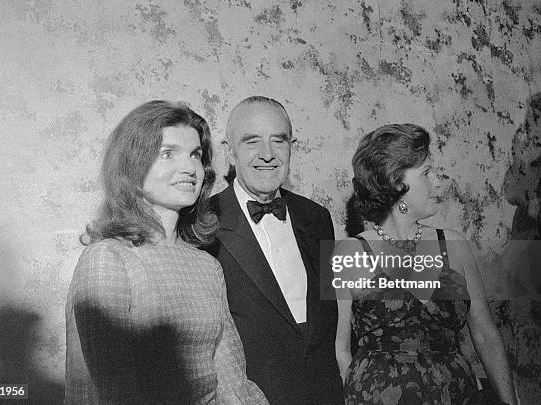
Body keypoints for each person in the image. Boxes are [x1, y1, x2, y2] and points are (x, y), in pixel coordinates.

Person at [65, 100, 268, 404]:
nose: (189, 168)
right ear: (133, 168)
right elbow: (110, 391)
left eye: (195, 155)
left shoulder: (207, 266)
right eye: (167, 153)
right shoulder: (108, 259)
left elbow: (231, 380)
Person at [335, 123, 517, 405]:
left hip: (454, 396)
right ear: (397, 182)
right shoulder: (350, 252)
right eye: (427, 173)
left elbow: (486, 335)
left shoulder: (453, 245)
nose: (439, 183)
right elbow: (341, 348)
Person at [205, 96, 344, 404]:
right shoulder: (202, 225)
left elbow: (329, 327)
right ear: (230, 153)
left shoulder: (317, 218)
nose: (267, 154)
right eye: (252, 141)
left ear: (291, 147)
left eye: (278, 141)